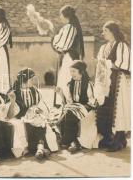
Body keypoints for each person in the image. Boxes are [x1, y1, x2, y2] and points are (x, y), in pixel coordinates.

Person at [95, 21, 130, 152]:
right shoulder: (104, 47)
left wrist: (106, 63)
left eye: (105, 31)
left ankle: (119, 138)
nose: (103, 33)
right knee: (106, 107)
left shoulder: (121, 46)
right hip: (106, 81)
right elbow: (101, 63)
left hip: (118, 81)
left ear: (113, 32)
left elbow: (123, 64)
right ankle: (109, 137)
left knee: (119, 108)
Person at [9, 68, 58, 160]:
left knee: (41, 121)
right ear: (24, 80)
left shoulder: (35, 91)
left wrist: (38, 110)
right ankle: (39, 148)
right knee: (29, 124)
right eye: (31, 79)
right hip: (19, 117)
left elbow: (41, 104)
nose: (33, 81)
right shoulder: (14, 92)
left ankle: (40, 148)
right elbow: (11, 111)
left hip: (33, 116)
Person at [56, 61, 100, 153]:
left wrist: (79, 107)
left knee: (71, 113)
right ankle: (73, 142)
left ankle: (67, 141)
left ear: (81, 71)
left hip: (87, 106)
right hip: (74, 106)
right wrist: (61, 94)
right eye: (71, 71)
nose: (72, 74)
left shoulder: (88, 84)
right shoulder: (70, 84)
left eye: (74, 71)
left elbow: (92, 101)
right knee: (65, 113)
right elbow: (69, 101)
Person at [52, 5, 84, 100]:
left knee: (66, 82)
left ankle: (68, 105)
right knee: (66, 83)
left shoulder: (69, 27)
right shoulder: (72, 27)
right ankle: (66, 104)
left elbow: (62, 45)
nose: (60, 17)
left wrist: (54, 38)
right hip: (70, 57)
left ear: (65, 16)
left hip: (70, 58)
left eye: (60, 15)